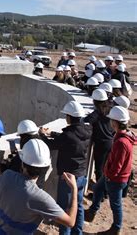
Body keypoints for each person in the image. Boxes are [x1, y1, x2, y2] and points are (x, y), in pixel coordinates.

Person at [0, 139, 78, 234]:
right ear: (46, 167)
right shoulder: (40, 198)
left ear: (22, 163)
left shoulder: (7, 175)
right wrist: (74, 189)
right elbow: (70, 222)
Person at [39, 101, 91, 235]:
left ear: (69, 117)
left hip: (68, 178)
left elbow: (52, 145)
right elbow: (68, 138)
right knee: (77, 207)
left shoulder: (68, 136)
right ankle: (77, 233)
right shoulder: (87, 130)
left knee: (64, 211)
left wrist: (42, 135)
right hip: (81, 175)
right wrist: (53, 133)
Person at [85, 106, 135, 235]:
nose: (110, 122)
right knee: (97, 189)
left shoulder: (121, 142)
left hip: (115, 178)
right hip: (111, 175)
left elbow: (117, 166)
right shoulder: (123, 136)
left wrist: (109, 177)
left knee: (115, 204)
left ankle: (116, 228)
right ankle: (92, 212)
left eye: (111, 120)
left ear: (115, 123)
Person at [83, 89, 113, 186]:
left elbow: (86, 121)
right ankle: (105, 190)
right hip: (110, 141)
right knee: (106, 168)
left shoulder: (97, 113)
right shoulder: (109, 109)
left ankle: (101, 194)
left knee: (99, 169)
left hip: (101, 144)